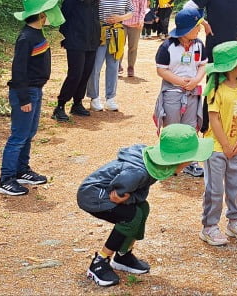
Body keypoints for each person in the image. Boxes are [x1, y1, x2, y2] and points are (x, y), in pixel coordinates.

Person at [78, 123, 214, 287]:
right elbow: (118, 194)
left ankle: (123, 255)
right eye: (190, 159)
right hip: (93, 195)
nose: (192, 162)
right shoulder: (138, 172)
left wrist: (131, 198)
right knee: (131, 216)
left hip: (110, 192)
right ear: (178, 159)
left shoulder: (157, 165)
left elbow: (135, 194)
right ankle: (99, 262)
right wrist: (127, 198)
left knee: (143, 208)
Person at [0, 0, 64, 196]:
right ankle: (6, 178)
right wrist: (24, 97)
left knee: (29, 133)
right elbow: (19, 70)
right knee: (18, 135)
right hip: (25, 92)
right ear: (41, 14)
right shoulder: (26, 37)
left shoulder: (36, 33)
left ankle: (21, 170)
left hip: (35, 90)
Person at [200, 40, 237, 247]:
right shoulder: (216, 89)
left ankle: (235, 221)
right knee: (215, 190)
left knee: (236, 185)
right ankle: (209, 226)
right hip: (216, 148)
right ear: (233, 66)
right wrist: (225, 145)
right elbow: (214, 119)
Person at [152, 7, 209, 178]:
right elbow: (161, 70)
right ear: (185, 30)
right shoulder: (167, 46)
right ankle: (169, 162)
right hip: (172, 92)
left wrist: (196, 80)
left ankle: (190, 162)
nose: (199, 29)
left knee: (190, 127)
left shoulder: (199, 44)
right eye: (196, 26)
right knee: (172, 126)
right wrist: (180, 82)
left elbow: (202, 65)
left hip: (192, 93)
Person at [53, 0, 100, 123]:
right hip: (76, 41)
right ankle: (60, 106)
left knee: (86, 73)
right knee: (75, 74)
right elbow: (64, 16)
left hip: (92, 41)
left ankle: (77, 103)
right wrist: (69, 35)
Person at [87, 0, 133, 112]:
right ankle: (94, 97)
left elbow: (131, 11)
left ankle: (111, 97)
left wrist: (120, 18)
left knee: (113, 66)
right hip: (99, 34)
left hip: (117, 34)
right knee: (96, 66)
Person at [121, 0, 148, 77]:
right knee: (119, 45)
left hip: (135, 23)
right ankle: (118, 65)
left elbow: (144, 5)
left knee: (133, 47)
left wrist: (141, 20)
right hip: (121, 22)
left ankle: (131, 67)